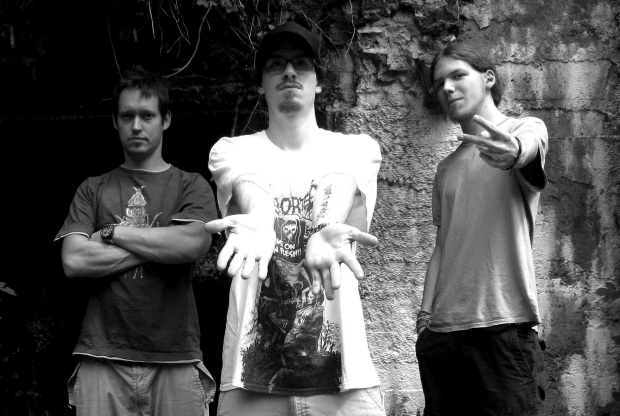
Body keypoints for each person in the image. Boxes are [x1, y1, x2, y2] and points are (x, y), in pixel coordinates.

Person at [204, 20, 386, 416]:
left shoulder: (357, 148)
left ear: (318, 82)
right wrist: (260, 219)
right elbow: (248, 182)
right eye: (276, 64)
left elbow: (339, 180)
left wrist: (323, 229)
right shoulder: (230, 150)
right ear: (261, 84)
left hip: (344, 380)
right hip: (252, 381)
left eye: (301, 63)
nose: (289, 72)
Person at [54, 66, 217, 416]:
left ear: (166, 119)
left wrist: (113, 233)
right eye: (127, 116)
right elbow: (74, 260)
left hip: (175, 356)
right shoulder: (93, 188)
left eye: (147, 115)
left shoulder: (191, 184)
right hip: (102, 355)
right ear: (115, 121)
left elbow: (192, 244)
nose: (137, 125)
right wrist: (164, 245)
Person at [415, 42, 548, 415]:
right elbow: (443, 246)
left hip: (502, 329)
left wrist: (515, 152)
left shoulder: (523, 129)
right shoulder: (445, 168)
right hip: (441, 338)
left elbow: (527, 149)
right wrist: (425, 321)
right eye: (439, 82)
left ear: (488, 78)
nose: (447, 88)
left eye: (458, 75)